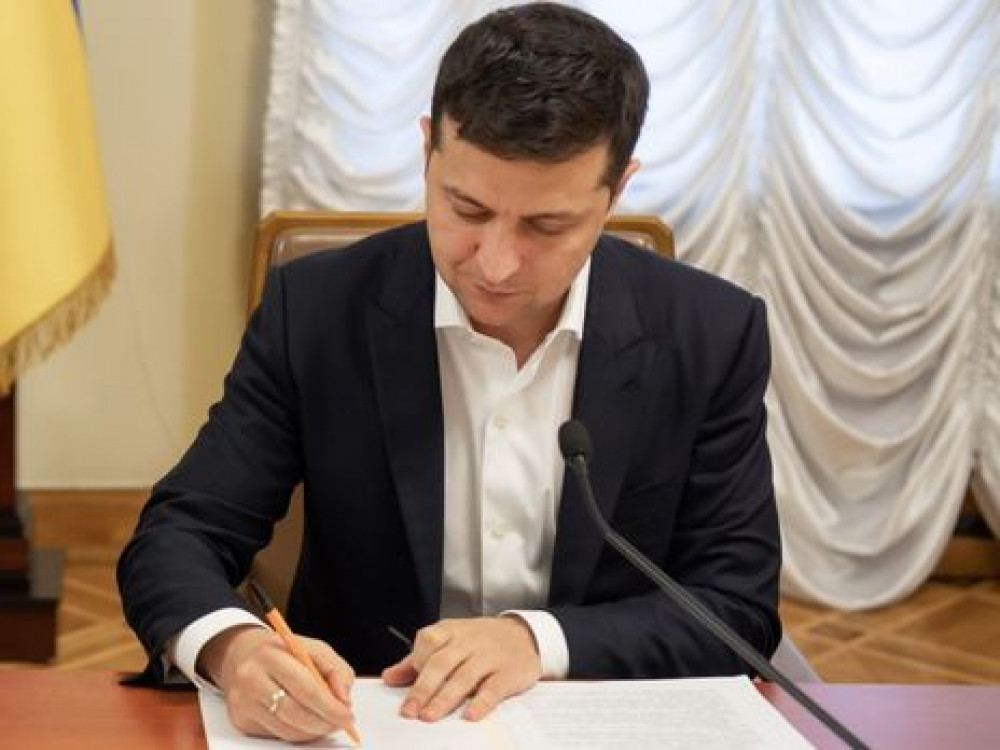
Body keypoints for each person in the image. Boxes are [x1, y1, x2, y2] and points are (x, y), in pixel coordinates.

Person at [118, 3, 781, 743]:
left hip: (595, 722)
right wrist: (232, 648)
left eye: (547, 226)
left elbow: (736, 606)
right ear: (428, 149)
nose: (495, 264)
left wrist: (538, 641)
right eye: (466, 208)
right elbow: (181, 533)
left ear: (617, 190)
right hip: (367, 721)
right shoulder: (318, 312)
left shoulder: (710, 334)